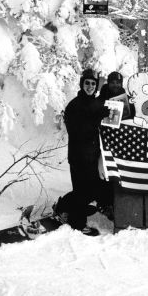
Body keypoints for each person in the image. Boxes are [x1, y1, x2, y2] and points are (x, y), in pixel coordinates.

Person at [54, 68, 113, 236]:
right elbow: (77, 131)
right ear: (82, 84)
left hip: (92, 155)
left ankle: (64, 206)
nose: (90, 86)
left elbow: (99, 125)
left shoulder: (95, 103)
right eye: (87, 83)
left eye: (93, 84)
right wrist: (97, 119)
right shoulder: (74, 105)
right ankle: (78, 223)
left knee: (93, 189)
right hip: (79, 156)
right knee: (82, 191)